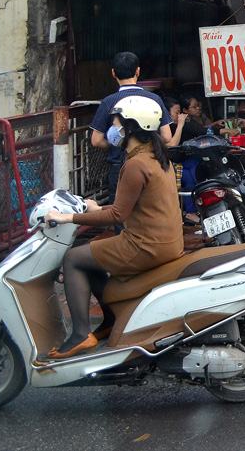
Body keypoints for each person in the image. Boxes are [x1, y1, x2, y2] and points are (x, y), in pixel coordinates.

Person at [45, 96, 184, 357]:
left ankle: (79, 334)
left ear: (131, 127)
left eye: (116, 122)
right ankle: (110, 321)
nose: (113, 128)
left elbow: (118, 216)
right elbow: (133, 208)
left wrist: (67, 218)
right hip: (165, 242)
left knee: (74, 258)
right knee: (94, 254)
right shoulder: (155, 156)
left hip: (145, 246)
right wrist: (98, 209)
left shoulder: (134, 164)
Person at [90, 52, 174, 204]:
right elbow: (167, 137)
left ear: (113, 73)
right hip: (151, 163)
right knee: (149, 212)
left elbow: (96, 141)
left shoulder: (109, 102)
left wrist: (119, 143)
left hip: (120, 167)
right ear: (138, 71)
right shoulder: (154, 99)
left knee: (120, 215)